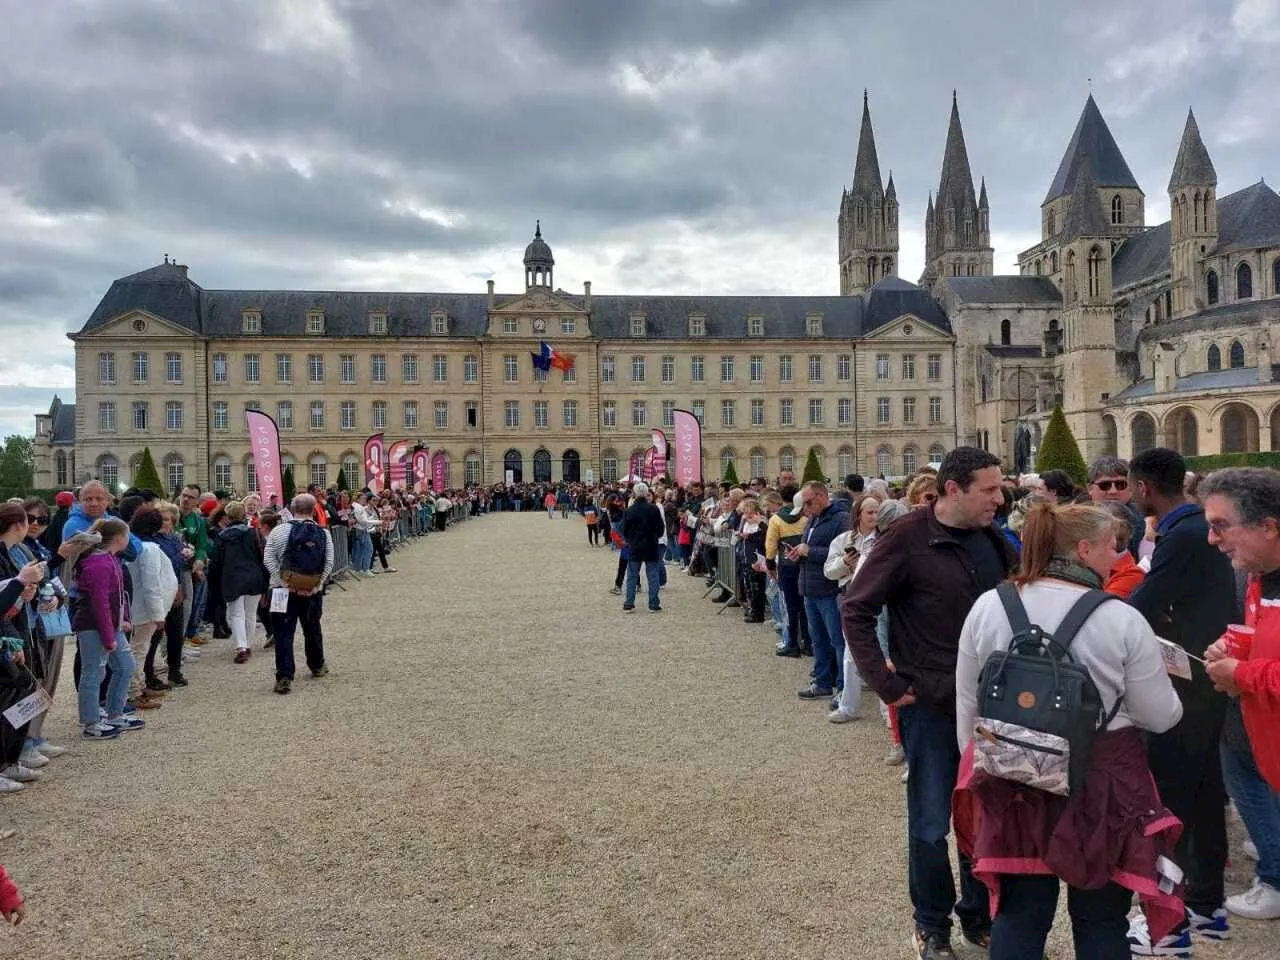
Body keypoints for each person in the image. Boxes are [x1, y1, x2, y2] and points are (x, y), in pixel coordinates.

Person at [953, 502, 1184, 960]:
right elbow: (1160, 716)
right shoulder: (1119, 618)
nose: (1118, 557)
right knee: (1101, 919)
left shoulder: (989, 605)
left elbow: (968, 703)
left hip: (1015, 776)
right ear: (1082, 550)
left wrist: (989, 770)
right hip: (1101, 783)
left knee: (1019, 915)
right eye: (1110, 547)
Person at [843, 447, 1013, 958]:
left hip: (992, 704)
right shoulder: (907, 539)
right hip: (933, 703)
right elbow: (856, 609)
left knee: (985, 815)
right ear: (954, 489)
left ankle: (979, 915)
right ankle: (931, 923)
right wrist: (888, 686)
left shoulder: (993, 540)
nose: (1000, 498)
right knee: (931, 821)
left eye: (1000, 488)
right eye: (989, 489)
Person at [1127, 448, 1238, 954]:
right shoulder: (1194, 530)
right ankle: (1206, 904)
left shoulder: (1183, 535)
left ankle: (1167, 923)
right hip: (1206, 679)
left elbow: (1142, 606)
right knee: (1204, 795)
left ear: (1144, 489)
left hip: (1187, 686)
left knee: (1170, 801)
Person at [1198, 468, 1280, 920]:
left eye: (1220, 526)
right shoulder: (1256, 576)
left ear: (1268, 527)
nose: (1212, 539)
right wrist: (1230, 650)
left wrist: (1243, 674)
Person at [72, 518, 146, 739]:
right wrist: (109, 634)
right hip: (94, 625)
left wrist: (120, 620)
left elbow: (114, 598)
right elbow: (100, 603)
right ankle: (91, 721)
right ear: (120, 538)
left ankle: (114, 712)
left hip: (108, 625)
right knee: (93, 672)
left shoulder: (107, 559)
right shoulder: (99, 563)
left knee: (124, 666)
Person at [263, 494, 333, 695]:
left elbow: (268, 560)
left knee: (283, 632)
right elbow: (329, 562)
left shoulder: (278, 531)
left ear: (292, 508)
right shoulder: (322, 533)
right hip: (311, 590)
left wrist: (285, 582)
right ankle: (317, 664)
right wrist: (314, 585)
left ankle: (284, 676)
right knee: (312, 628)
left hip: (281, 591)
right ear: (313, 509)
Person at [790, 482, 851, 701]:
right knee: (818, 639)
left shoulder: (841, 519)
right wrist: (800, 552)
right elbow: (811, 547)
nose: (806, 508)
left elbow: (847, 554)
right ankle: (823, 682)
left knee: (837, 640)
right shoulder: (814, 518)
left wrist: (810, 551)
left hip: (829, 589)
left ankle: (844, 689)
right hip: (810, 586)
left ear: (822, 496)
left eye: (808, 502)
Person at [824, 495, 880, 722]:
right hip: (852, 598)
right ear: (858, 515)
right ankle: (849, 706)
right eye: (870, 512)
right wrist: (846, 563)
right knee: (851, 653)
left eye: (877, 512)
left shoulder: (885, 538)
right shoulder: (843, 540)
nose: (875, 517)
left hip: (880, 600)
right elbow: (828, 571)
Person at [123, 507, 178, 710]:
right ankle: (134, 691)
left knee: (139, 649)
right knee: (139, 649)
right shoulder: (149, 548)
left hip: (137, 604)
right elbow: (151, 582)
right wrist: (158, 613)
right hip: (145, 608)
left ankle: (140, 686)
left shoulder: (134, 545)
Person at [209, 501, 268, 665]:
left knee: (236, 613)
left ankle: (241, 647)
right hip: (254, 576)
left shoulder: (222, 536)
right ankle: (247, 644)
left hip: (232, 577)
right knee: (250, 613)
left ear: (227, 517)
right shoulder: (254, 533)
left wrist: (214, 579)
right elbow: (263, 556)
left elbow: (216, 561)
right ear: (243, 516)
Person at [766, 487, 809, 657]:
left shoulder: (776, 519)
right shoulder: (805, 518)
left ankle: (792, 642)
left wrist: (770, 564)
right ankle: (807, 641)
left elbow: (771, 544)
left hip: (786, 563)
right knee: (804, 605)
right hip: (802, 562)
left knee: (789, 606)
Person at [1087, 456, 1145, 558]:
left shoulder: (1147, 521)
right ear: (1090, 489)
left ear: (1131, 487)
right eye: (1104, 485)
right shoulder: (1078, 521)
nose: (1113, 491)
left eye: (1120, 485)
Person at [620, 482, 664, 613]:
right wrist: (655, 536)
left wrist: (630, 539)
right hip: (651, 545)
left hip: (635, 546)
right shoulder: (653, 509)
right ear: (646, 494)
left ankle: (629, 603)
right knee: (652, 575)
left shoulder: (629, 510)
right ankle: (653, 604)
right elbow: (661, 529)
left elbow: (624, 530)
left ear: (634, 494)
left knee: (632, 575)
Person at [1096, 500, 1144, 599]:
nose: (1113, 532)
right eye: (1105, 525)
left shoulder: (1132, 575)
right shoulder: (1081, 563)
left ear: (1131, 532)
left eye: (1119, 525)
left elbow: (1099, 605)